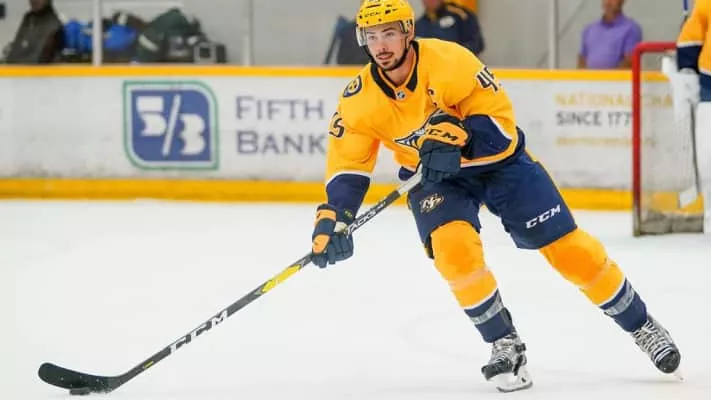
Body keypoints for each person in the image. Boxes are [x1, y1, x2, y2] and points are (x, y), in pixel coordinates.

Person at [309, 0, 682, 392]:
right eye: (371, 36)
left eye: (389, 34)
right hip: (435, 179)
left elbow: (502, 128)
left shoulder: (451, 61)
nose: (381, 45)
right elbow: (348, 167)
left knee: (571, 252)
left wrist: (462, 137)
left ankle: (642, 325)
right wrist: (335, 217)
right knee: (453, 252)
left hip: (499, 164)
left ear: (408, 32)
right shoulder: (358, 100)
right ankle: (504, 343)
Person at [578, 0, 642, 69]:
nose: (608, 2)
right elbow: (582, 59)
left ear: (622, 1)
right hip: (589, 76)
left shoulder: (631, 29)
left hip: (616, 76)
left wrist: (604, 76)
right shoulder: (590, 29)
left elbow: (629, 62)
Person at [415, 0, 484, 56]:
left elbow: (476, 44)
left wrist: (454, 54)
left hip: (460, 64)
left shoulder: (460, 15)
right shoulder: (418, 25)